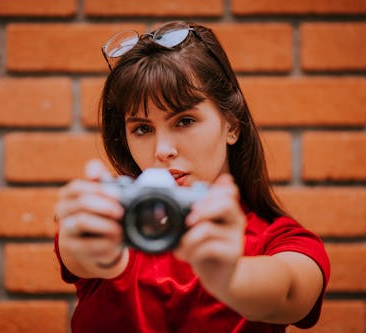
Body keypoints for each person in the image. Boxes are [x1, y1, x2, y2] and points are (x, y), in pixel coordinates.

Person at [54, 21, 330, 333]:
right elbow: (82, 252)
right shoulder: (107, 219)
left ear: (232, 125)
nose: (163, 150)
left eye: (184, 120)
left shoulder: (282, 240)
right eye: (142, 129)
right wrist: (95, 248)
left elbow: (289, 294)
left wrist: (229, 276)